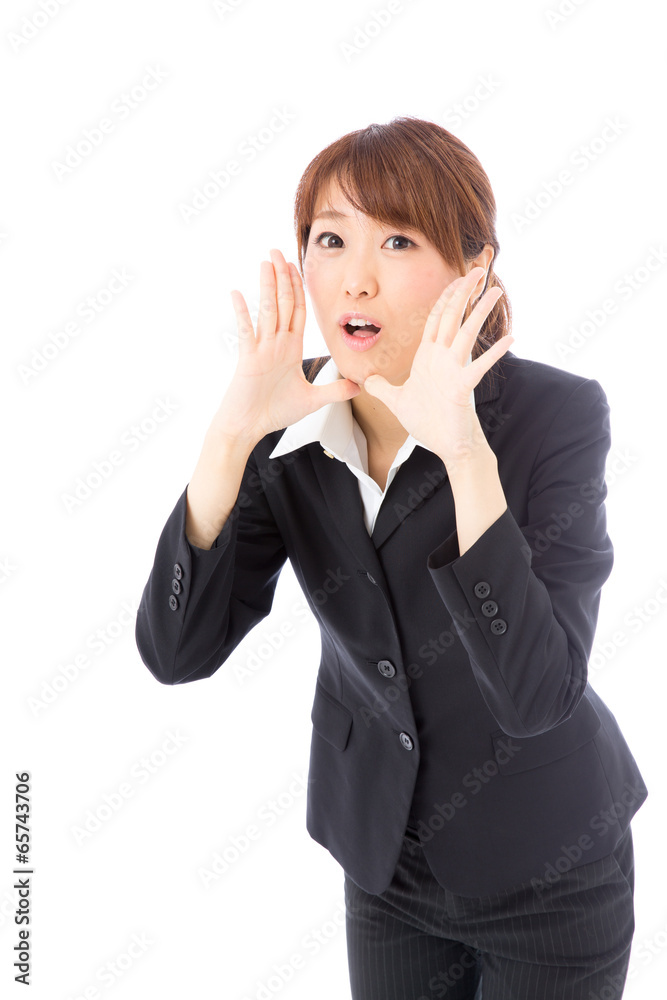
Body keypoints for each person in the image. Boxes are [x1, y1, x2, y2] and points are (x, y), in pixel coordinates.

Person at [135, 116, 648, 999]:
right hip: (382, 860)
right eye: (330, 239)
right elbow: (178, 654)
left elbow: (537, 694)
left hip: (548, 868)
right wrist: (229, 435)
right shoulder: (284, 421)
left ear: (472, 267)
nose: (356, 277)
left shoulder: (554, 418)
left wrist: (462, 453)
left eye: (398, 239)